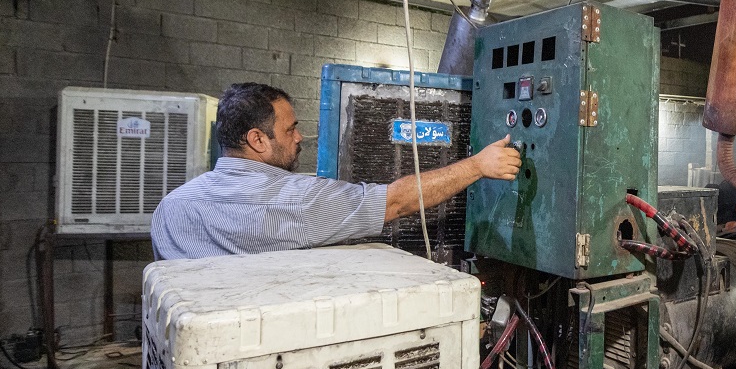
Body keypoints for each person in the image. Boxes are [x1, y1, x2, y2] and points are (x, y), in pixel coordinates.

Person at [151, 82, 519, 260]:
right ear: (257, 140)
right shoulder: (296, 202)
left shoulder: (171, 207)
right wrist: (477, 164)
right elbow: (394, 203)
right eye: (290, 129)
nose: (300, 138)